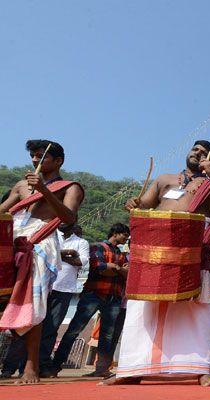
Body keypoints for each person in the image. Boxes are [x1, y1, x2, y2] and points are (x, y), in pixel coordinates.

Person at [104, 140, 210, 387]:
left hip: (196, 244)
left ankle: (201, 368)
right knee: (144, 307)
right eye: (195, 149)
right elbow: (144, 205)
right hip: (158, 243)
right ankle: (133, 367)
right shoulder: (165, 179)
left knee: (199, 307)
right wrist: (133, 203)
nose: (197, 154)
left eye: (203, 153)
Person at [0, 140, 85, 384]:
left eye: (41, 156)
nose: (36, 161)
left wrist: (44, 191)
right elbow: (3, 212)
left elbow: (68, 218)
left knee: (33, 305)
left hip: (40, 245)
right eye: (34, 156)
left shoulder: (71, 187)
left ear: (58, 161)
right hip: (11, 241)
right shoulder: (20, 186)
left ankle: (31, 368)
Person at [46, 223, 129, 377]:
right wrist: (119, 269)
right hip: (94, 294)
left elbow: (124, 272)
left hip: (112, 297)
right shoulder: (97, 246)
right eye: (124, 234)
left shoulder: (120, 252)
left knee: (106, 335)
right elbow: (99, 267)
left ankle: (101, 369)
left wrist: (115, 268)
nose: (126, 238)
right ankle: (55, 366)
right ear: (116, 233)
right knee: (74, 330)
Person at [38, 223, 90, 375]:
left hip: (64, 290)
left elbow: (81, 262)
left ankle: (42, 365)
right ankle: (15, 365)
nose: (61, 222)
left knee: (51, 328)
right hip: (42, 286)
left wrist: (57, 255)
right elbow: (41, 253)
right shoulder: (49, 235)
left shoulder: (81, 242)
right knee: (32, 325)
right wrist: (68, 254)